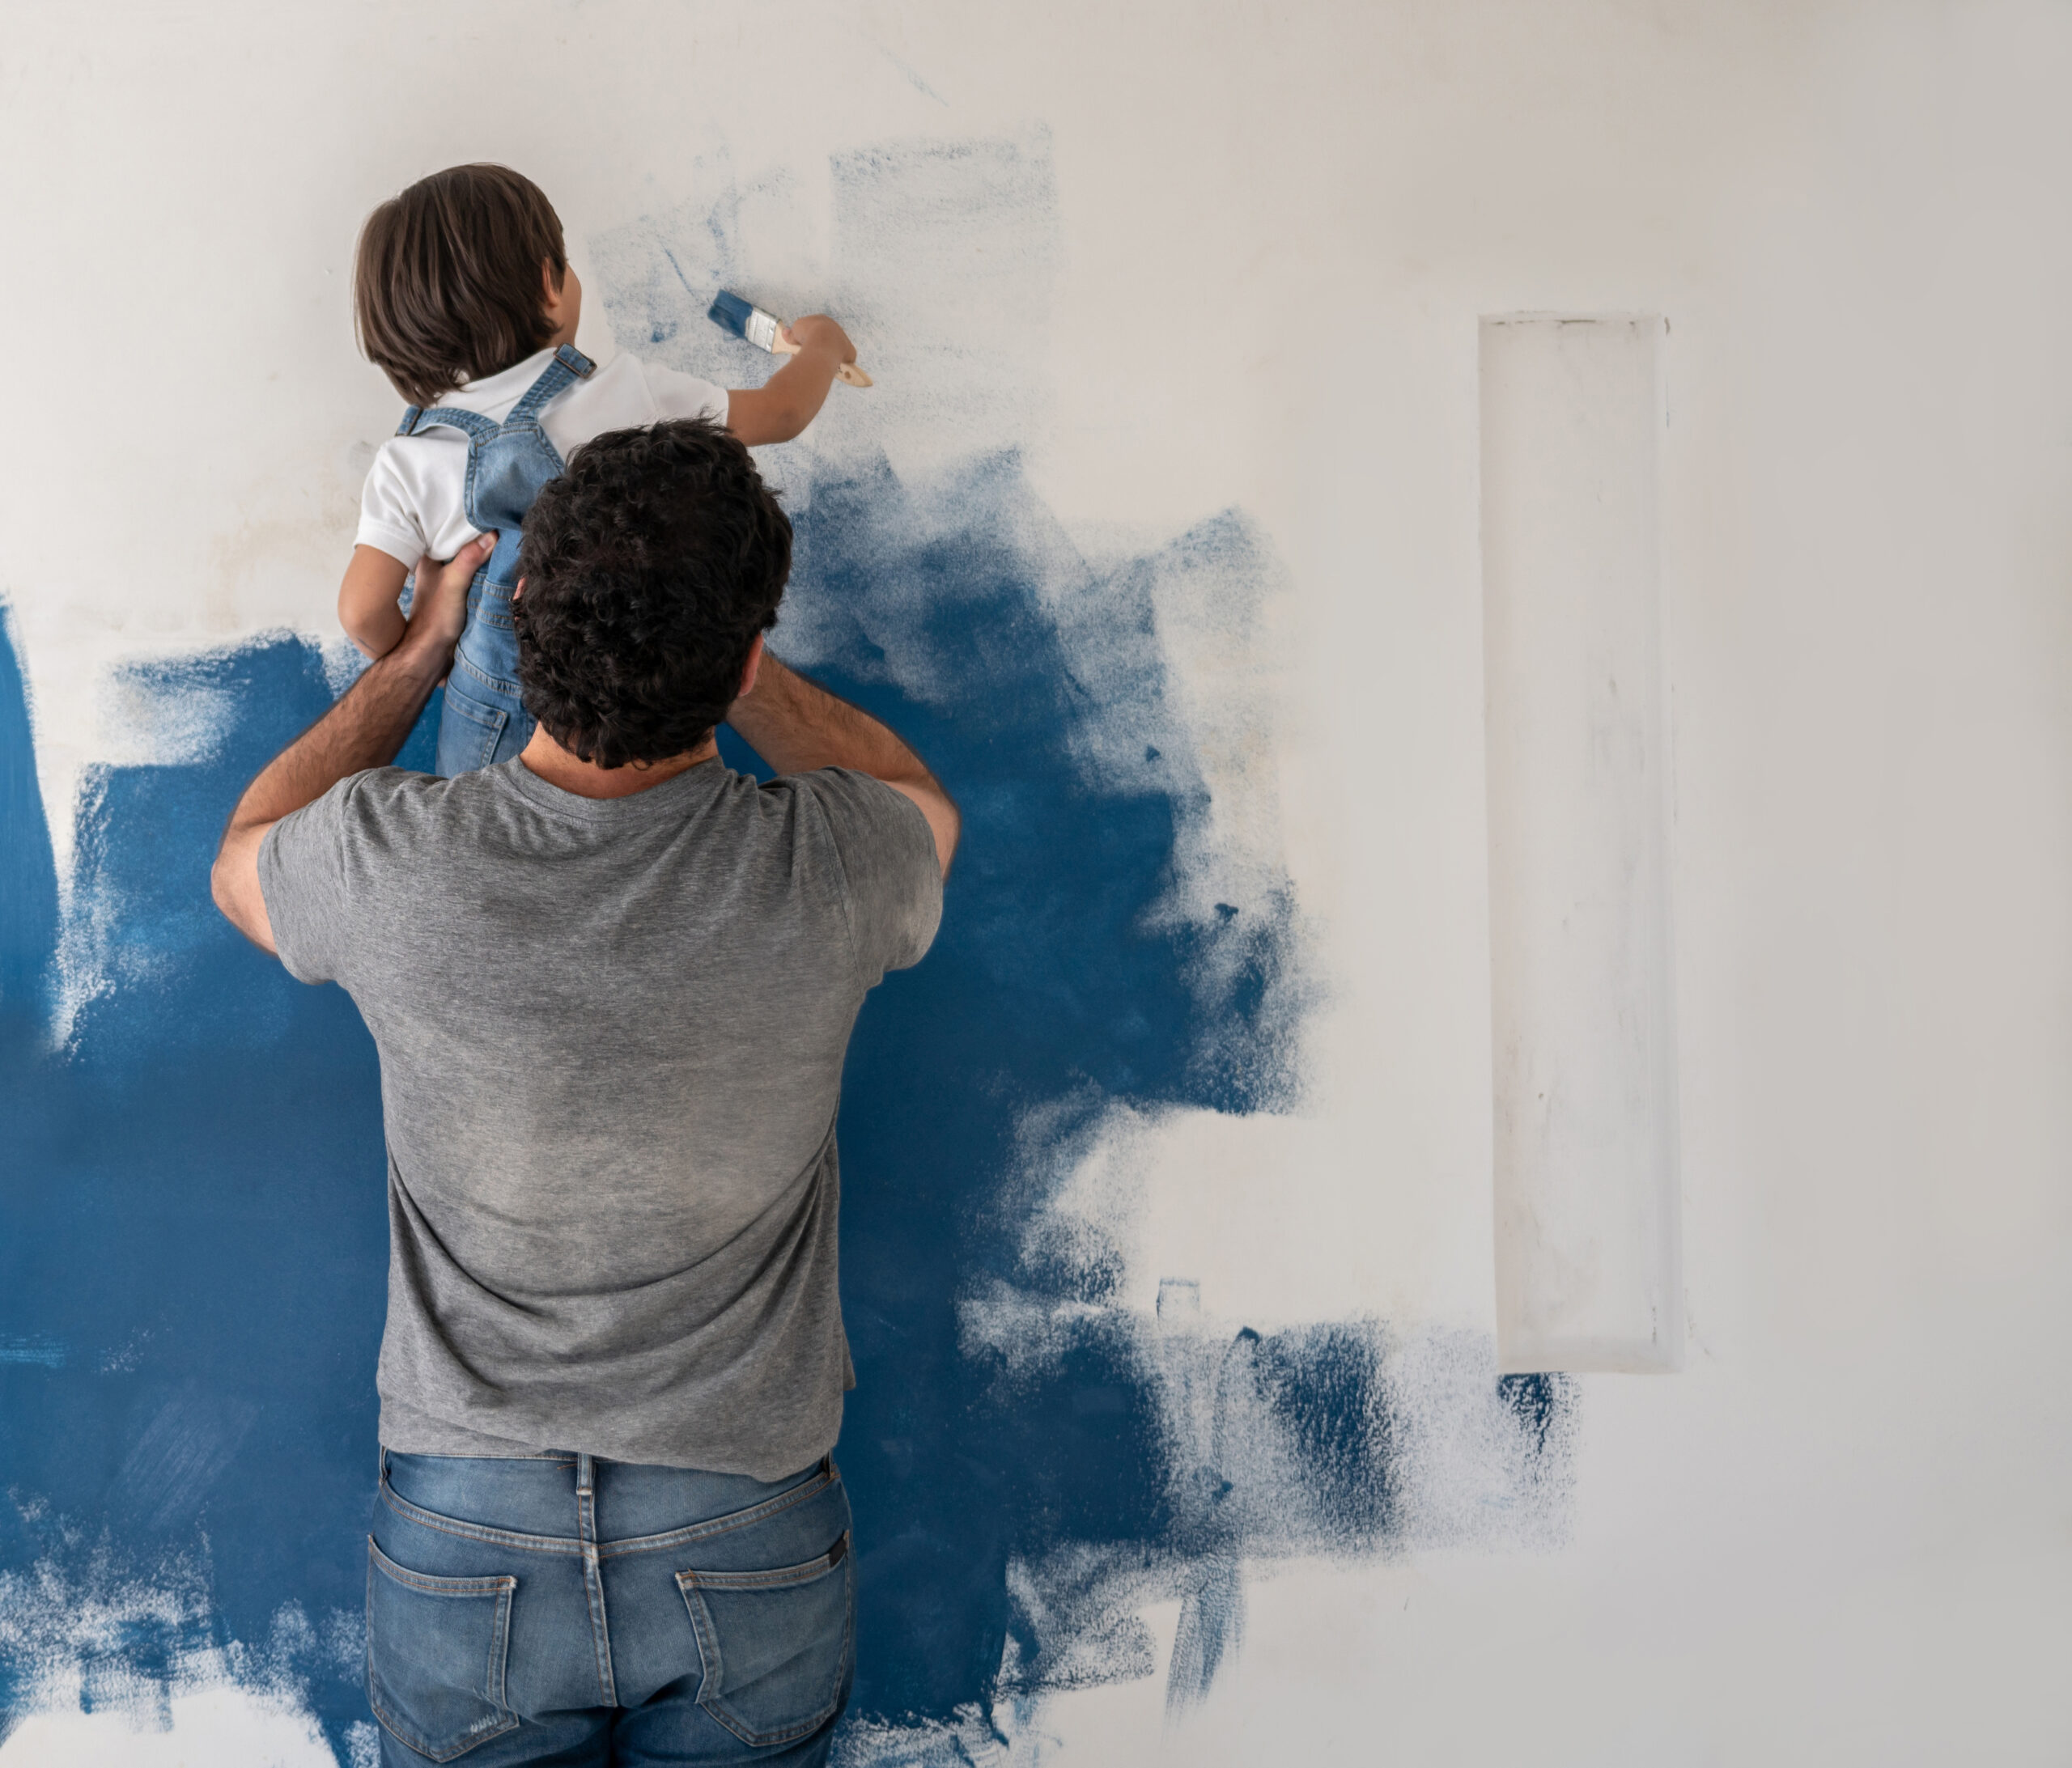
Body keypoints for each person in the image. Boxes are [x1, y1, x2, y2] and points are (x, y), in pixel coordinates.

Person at [210, 419, 957, 1766]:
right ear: (738, 659)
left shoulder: (397, 863)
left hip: (463, 1536)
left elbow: (240, 856)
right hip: (747, 1532)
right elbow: (920, 803)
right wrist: (742, 675)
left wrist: (420, 652)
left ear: (526, 610)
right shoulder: (839, 865)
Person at [342, 161, 857, 775]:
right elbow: (784, 411)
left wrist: (440, 655)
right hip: (632, 700)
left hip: (486, 723)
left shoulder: (411, 461)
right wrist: (823, 345)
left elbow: (361, 613)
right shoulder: (630, 396)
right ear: (549, 284)